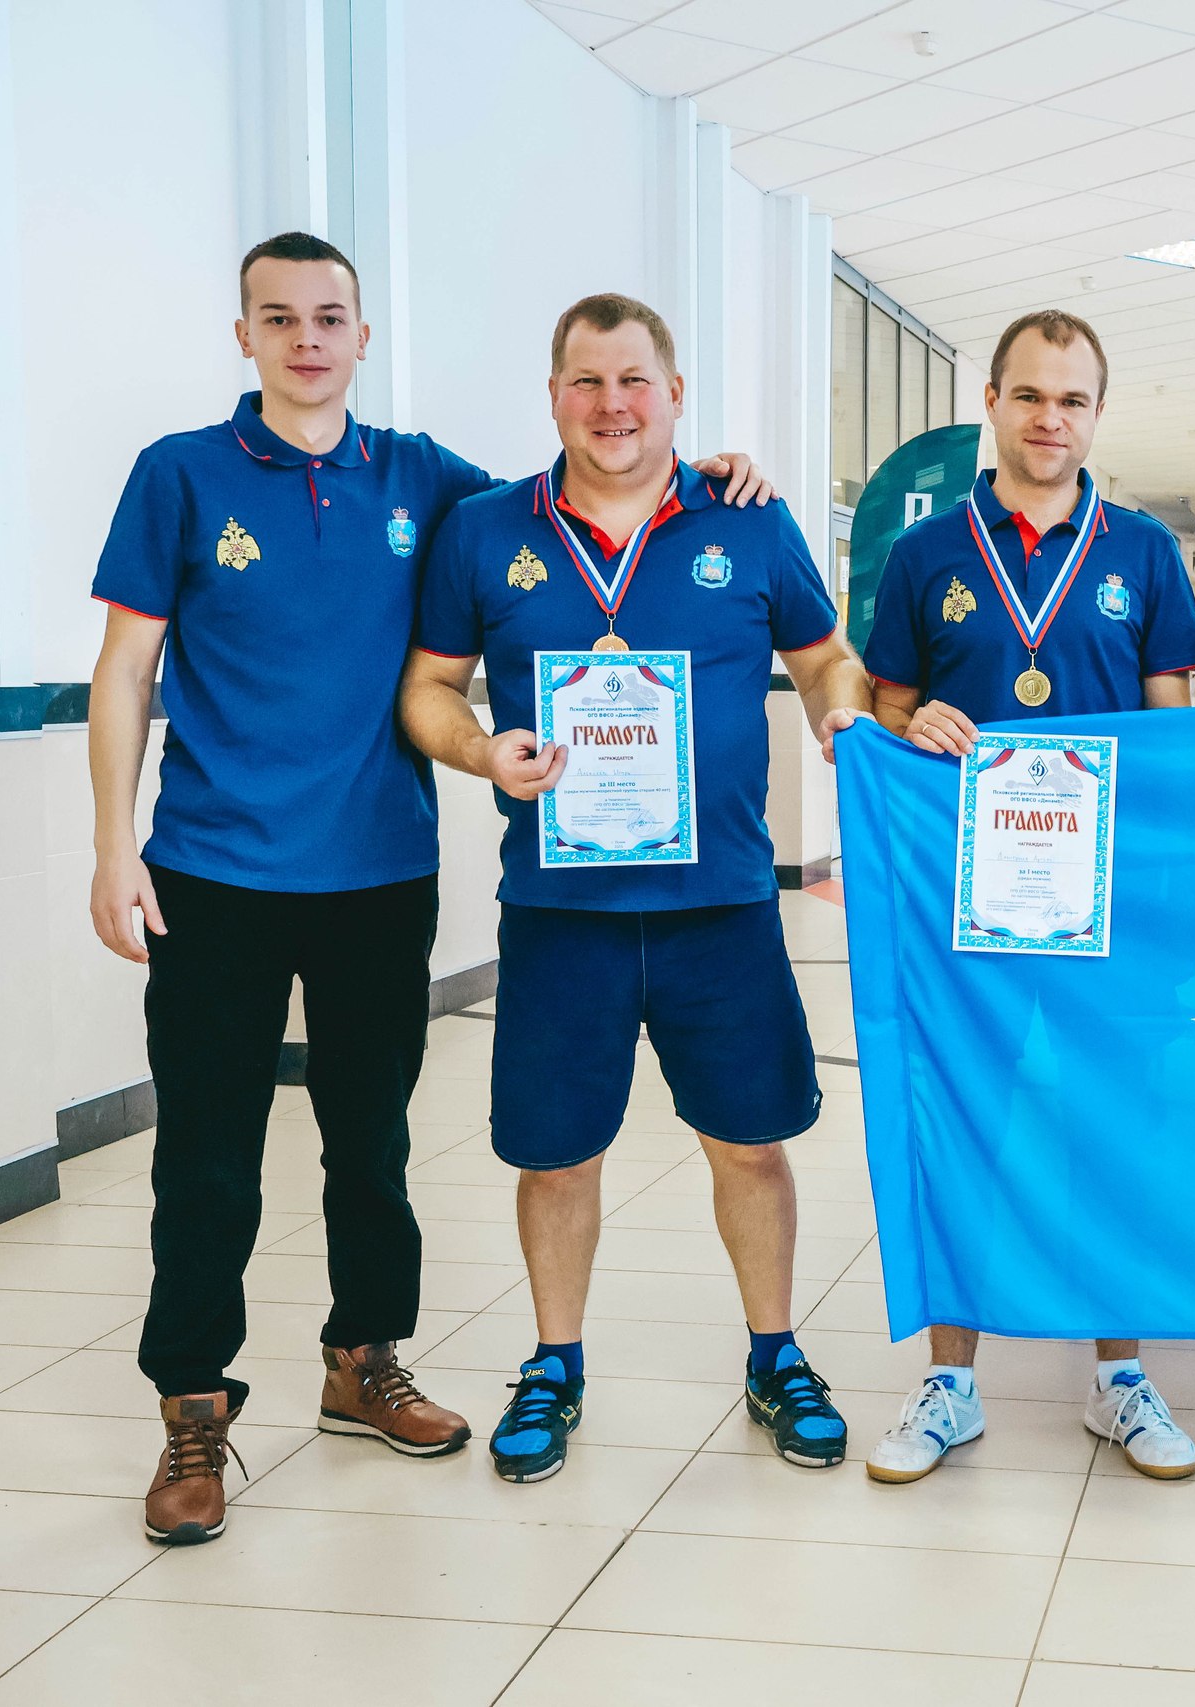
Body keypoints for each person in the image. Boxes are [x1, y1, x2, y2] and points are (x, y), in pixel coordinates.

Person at [88, 235, 772, 1546]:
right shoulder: (178, 474)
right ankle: (192, 1404)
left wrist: (715, 473)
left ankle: (364, 1360)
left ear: (362, 333)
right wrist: (113, 845)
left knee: (374, 1145)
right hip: (212, 872)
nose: (306, 339)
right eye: (279, 317)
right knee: (208, 1156)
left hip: (380, 873)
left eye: (328, 316)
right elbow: (124, 670)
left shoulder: (426, 480)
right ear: (245, 335)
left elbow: (581, 489)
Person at [400, 293, 871, 1483]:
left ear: (674, 395)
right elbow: (427, 687)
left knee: (750, 1145)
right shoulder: (484, 531)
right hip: (562, 915)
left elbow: (825, 656)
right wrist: (480, 752)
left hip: (722, 906)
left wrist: (842, 719)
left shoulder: (746, 521)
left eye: (633, 381)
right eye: (586, 381)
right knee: (555, 1155)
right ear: (553, 395)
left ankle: (775, 1353)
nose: (611, 405)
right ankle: (554, 1362)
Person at [861, 309, 1195, 1485]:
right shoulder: (925, 554)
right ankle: (950, 1383)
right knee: (966, 1122)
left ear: (1096, 414)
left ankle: (1119, 1376)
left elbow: (1176, 740)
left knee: (1114, 1127)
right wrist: (913, 722)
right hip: (971, 906)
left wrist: (1173, 902)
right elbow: (884, 716)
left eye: (1072, 400)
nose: (1049, 419)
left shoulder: (1145, 552)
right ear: (992, 404)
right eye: (1029, 395)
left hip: (1112, 909)